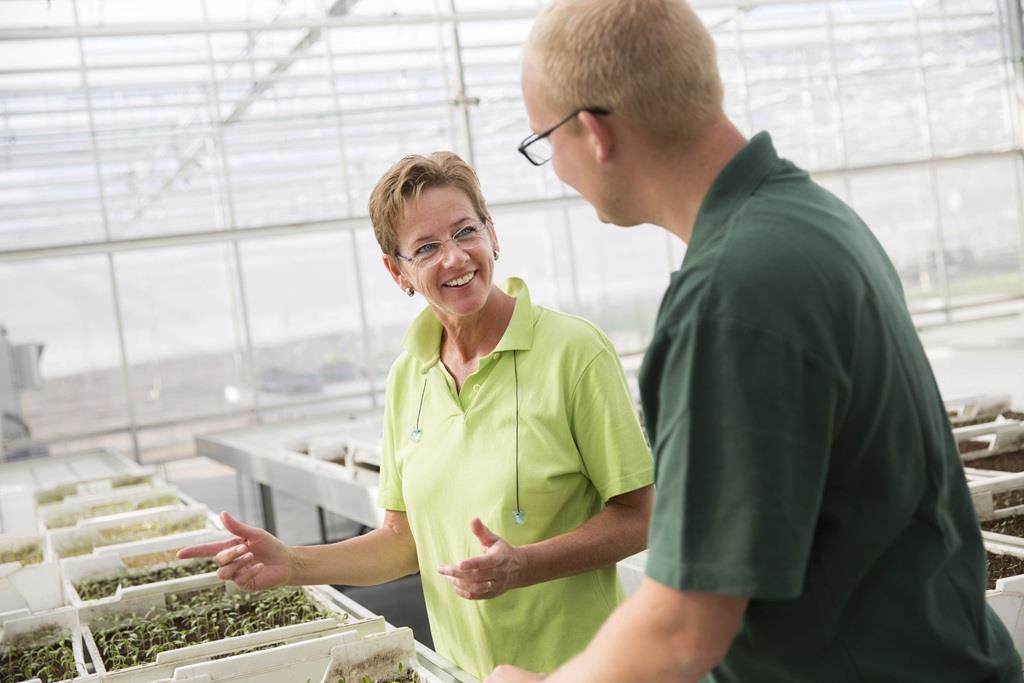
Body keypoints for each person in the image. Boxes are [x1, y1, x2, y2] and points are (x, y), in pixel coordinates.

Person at [487, 0, 1023, 681]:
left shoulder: (731, 295)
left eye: (543, 142)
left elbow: (683, 629)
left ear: (593, 132)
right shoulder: (808, 217)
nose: (555, 169)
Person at [178, 151, 654, 679]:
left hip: (583, 671)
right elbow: (403, 542)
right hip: (464, 672)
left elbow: (642, 516)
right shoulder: (409, 376)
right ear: (397, 271)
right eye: (426, 248)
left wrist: (524, 565)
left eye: (465, 232)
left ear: (493, 234)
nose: (455, 258)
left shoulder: (574, 352)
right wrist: (293, 563)